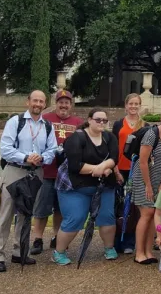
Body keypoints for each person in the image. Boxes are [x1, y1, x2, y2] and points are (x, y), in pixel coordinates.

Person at [0, 90, 57, 273]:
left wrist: (42, 158)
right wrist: (26, 157)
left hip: (35, 173)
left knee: (26, 215)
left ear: (45, 104)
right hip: (14, 171)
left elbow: (52, 150)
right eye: (34, 100)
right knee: (5, 216)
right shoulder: (16, 122)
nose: (37, 104)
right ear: (27, 102)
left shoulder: (47, 126)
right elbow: (5, 149)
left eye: (41, 101)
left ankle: (19, 252)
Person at [54, 108, 119, 266]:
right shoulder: (77, 137)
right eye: (98, 120)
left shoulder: (109, 137)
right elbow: (75, 165)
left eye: (104, 120)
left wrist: (103, 166)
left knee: (107, 217)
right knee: (75, 218)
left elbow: (114, 158)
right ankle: (59, 252)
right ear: (89, 120)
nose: (101, 123)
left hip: (103, 186)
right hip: (76, 187)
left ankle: (109, 248)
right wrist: (98, 169)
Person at [31, 89, 82, 255]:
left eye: (67, 102)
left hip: (66, 175)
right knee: (41, 208)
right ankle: (37, 239)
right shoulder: (46, 119)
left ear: (70, 105)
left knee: (60, 209)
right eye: (61, 102)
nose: (64, 105)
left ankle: (56, 237)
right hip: (46, 171)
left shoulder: (77, 122)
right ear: (56, 103)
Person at [132, 107, 161, 264]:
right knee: (146, 213)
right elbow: (143, 161)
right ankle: (139, 253)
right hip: (143, 178)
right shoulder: (152, 134)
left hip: (159, 179)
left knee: (155, 214)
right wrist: (148, 185)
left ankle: (148, 251)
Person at [111, 93, 146, 254]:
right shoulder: (119, 124)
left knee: (133, 207)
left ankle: (130, 241)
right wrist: (115, 169)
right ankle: (116, 240)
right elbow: (113, 148)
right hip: (120, 170)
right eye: (130, 104)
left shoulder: (144, 125)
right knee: (118, 206)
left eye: (136, 104)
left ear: (140, 106)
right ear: (126, 106)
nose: (133, 107)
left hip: (137, 171)